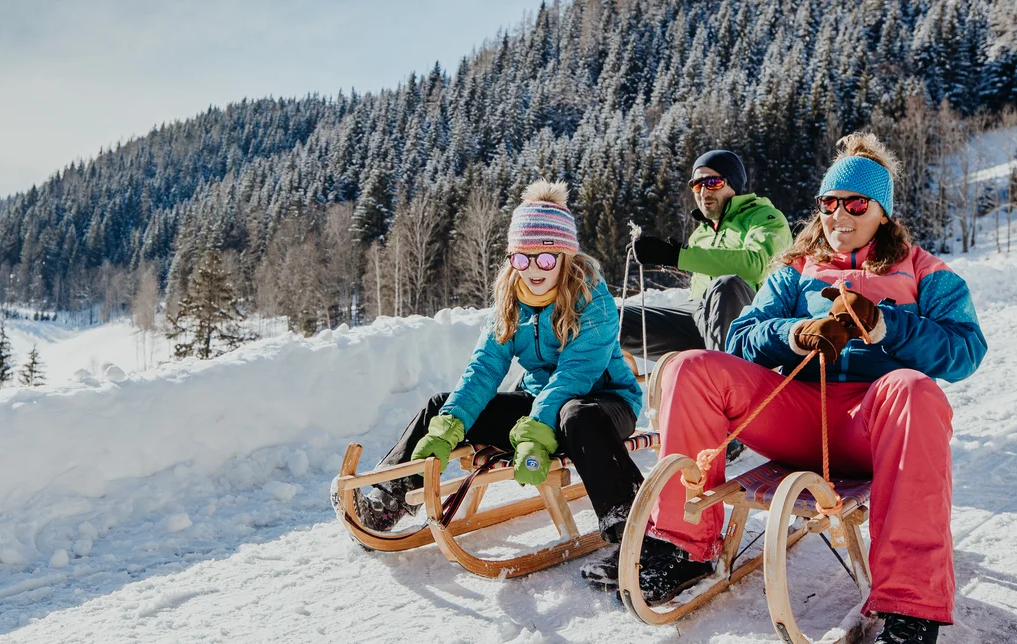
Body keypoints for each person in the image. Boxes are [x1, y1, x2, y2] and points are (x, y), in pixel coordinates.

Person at [632, 134, 985, 644]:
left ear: (882, 212)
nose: (839, 214)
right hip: (796, 415)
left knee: (914, 390)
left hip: (871, 422)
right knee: (691, 366)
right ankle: (684, 546)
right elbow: (740, 338)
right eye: (828, 203)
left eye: (856, 204)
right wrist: (795, 333)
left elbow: (965, 350)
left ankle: (911, 604)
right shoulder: (797, 268)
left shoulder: (925, 270)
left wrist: (886, 326)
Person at [354, 181, 647, 577]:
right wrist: (450, 426)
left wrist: (536, 431)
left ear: (565, 256)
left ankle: (634, 534)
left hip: (602, 403)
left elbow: (574, 374)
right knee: (442, 406)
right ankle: (389, 498)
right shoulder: (509, 302)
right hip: (542, 406)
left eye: (545, 259)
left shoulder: (591, 298)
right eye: (522, 259)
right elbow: (484, 370)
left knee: (576, 415)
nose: (533, 270)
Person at [621, 150, 792, 358]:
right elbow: (697, 298)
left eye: (712, 183)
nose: (703, 192)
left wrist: (677, 256)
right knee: (614, 319)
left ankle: (727, 382)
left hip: (752, 322)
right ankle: (601, 386)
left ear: (733, 184)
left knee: (727, 285)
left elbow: (757, 265)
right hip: (699, 321)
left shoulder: (765, 218)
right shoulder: (699, 235)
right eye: (697, 184)